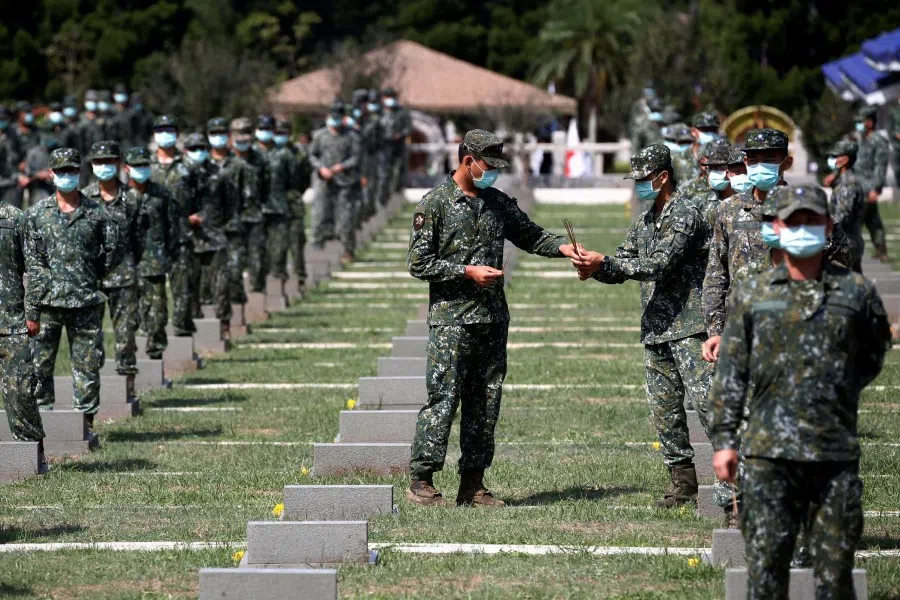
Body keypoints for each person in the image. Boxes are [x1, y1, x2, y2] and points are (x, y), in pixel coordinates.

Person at [710, 183, 891, 600]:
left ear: (828, 226)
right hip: (768, 457)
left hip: (833, 457)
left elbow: (873, 353)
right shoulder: (752, 293)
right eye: (794, 222)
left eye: (812, 220)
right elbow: (732, 372)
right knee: (767, 576)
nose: (803, 229)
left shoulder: (856, 293)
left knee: (834, 578)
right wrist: (723, 442)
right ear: (776, 227)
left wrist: (833, 389)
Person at [406, 129, 582, 507]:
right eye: (488, 165)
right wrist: (466, 272)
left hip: (490, 318)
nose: (493, 173)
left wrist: (564, 247)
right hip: (452, 320)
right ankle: (422, 477)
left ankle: (473, 483)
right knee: (444, 397)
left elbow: (531, 236)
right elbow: (418, 262)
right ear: (468, 160)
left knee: (485, 402)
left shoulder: (497, 202)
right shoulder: (434, 204)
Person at [573, 144, 717, 509]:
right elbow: (625, 262)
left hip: (690, 326)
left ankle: (741, 481)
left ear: (663, 176)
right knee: (664, 411)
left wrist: (608, 262)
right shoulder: (646, 219)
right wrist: (596, 267)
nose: (638, 186)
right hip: (656, 328)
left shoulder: (684, 213)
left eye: (643, 179)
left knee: (710, 407)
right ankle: (682, 483)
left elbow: (657, 264)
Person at [26, 147, 122, 447]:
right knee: (40, 367)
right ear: (52, 174)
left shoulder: (97, 213)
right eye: (61, 171)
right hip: (47, 304)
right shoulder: (37, 214)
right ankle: (43, 426)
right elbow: (30, 259)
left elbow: (112, 253)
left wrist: (90, 276)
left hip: (85, 302)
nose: (66, 176)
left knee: (87, 365)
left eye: (71, 170)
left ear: (79, 173)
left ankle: (85, 425)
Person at [703, 128, 792, 365]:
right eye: (753, 160)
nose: (760, 165)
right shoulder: (729, 210)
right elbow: (716, 275)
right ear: (744, 162)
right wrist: (716, 330)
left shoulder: (805, 210)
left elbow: (837, 262)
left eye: (769, 159)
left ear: (787, 162)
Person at [82, 141, 140, 401]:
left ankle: (127, 387)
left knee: (125, 334)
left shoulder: (132, 199)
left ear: (118, 163)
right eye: (99, 161)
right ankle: (90, 395)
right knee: (90, 339)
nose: (104, 166)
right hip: (92, 279)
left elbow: (142, 237)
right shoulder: (83, 198)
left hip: (124, 275)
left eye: (109, 161)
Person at [0, 193, 47, 472]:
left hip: (11, 322)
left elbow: (38, 269)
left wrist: (32, 312)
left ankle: (31, 457)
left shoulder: (15, 219)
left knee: (22, 392)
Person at [125, 147, 183, 360]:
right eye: (136, 166)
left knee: (157, 313)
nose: (141, 170)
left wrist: (169, 253)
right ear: (126, 168)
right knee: (129, 317)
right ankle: (128, 358)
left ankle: (156, 353)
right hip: (127, 267)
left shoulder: (162, 194)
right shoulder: (121, 197)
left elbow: (173, 228)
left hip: (155, 262)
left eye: (144, 166)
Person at [150, 114, 195, 336]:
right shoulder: (145, 165)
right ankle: (152, 332)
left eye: (169, 130)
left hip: (181, 234)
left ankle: (181, 330)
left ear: (176, 135)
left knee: (182, 287)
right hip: (152, 237)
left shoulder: (188, 165)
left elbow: (203, 194)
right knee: (153, 291)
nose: (165, 134)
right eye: (160, 130)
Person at [183, 132, 232, 339]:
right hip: (187, 237)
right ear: (186, 151)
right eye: (193, 149)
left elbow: (230, 204)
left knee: (220, 284)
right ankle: (193, 327)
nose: (198, 152)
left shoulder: (218, 174)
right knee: (190, 286)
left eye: (201, 148)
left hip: (214, 236)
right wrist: (186, 219)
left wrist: (217, 223)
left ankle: (223, 324)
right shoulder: (180, 175)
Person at [308, 104, 360, 263]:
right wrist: (321, 168)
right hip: (323, 180)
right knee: (320, 213)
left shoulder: (351, 137)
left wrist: (341, 166)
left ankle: (348, 249)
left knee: (345, 217)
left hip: (344, 181)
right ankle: (317, 244)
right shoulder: (320, 136)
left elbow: (356, 158)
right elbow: (312, 155)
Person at [208, 118, 250, 308]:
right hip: (208, 230)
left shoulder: (239, 165)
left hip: (233, 226)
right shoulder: (202, 164)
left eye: (222, 134)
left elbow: (248, 197)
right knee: (209, 278)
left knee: (234, 273)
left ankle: (235, 319)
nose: (218, 138)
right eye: (214, 133)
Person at [230, 117, 266, 293]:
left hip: (255, 215)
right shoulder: (226, 160)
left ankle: (256, 301)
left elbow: (267, 184)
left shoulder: (260, 158)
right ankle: (236, 302)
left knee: (257, 260)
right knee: (234, 263)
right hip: (232, 218)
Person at [256, 115, 292, 290]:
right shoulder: (251, 153)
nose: (264, 132)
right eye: (261, 128)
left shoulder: (284, 153)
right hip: (255, 211)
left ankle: (277, 289)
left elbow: (295, 180)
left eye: (267, 129)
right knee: (257, 253)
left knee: (278, 250)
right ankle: (259, 290)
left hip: (278, 207)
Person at [852, 107, 889, 261]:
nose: (858, 124)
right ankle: (881, 251)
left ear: (869, 122)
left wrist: (876, 189)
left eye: (861, 121)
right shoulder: (861, 139)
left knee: (857, 219)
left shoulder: (878, 141)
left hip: (868, 187)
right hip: (857, 185)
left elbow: (880, 166)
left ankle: (854, 250)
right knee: (871, 219)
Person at [824, 140, 866, 273]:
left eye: (836, 156)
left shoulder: (848, 183)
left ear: (845, 159)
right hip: (847, 241)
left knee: (843, 285)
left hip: (846, 244)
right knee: (856, 284)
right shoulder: (844, 179)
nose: (833, 159)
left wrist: (825, 228)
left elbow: (843, 215)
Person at [279, 119, 310, 293]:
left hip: (293, 203)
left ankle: (300, 277)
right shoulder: (265, 154)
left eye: (284, 132)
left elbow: (305, 177)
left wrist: (296, 193)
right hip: (272, 205)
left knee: (297, 243)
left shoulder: (298, 154)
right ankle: (277, 278)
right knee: (276, 245)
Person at [376, 87, 411, 207]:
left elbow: (408, 128)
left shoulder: (401, 113)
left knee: (396, 173)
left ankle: (394, 196)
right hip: (381, 147)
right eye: (386, 97)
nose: (388, 100)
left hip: (397, 147)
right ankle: (382, 198)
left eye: (391, 97)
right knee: (382, 174)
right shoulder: (378, 112)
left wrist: (399, 134)